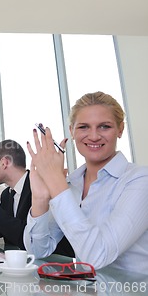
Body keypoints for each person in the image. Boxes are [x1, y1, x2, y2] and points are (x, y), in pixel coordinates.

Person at [25, 91, 148, 273]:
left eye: (104, 126)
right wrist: (40, 200)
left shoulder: (139, 180)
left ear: (120, 129)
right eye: (83, 127)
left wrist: (55, 181)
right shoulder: (71, 185)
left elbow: (98, 255)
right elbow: (38, 250)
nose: (94, 136)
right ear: (72, 131)